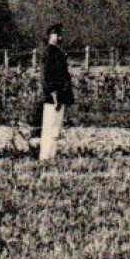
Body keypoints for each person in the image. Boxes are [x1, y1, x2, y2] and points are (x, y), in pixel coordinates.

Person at [34, 24, 75, 160]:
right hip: (54, 97)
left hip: (59, 96)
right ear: (50, 36)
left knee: (55, 131)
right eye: (57, 34)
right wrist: (54, 95)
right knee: (50, 130)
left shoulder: (56, 52)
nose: (60, 37)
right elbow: (47, 77)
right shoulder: (49, 53)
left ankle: (51, 157)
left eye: (60, 34)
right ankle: (46, 158)